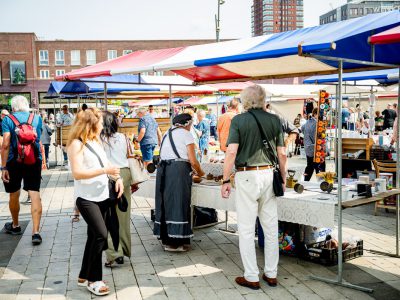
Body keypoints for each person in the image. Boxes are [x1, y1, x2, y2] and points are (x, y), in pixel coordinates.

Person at [221, 85, 287, 290]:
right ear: (263, 99)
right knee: (270, 227)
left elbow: (231, 152)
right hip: (269, 174)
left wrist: (225, 179)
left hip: (247, 175)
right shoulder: (275, 119)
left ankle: (251, 276)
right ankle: (271, 273)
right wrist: (283, 178)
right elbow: (282, 153)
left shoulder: (239, 120)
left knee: (247, 229)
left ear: (245, 101)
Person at [67, 107, 123, 296]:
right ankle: (94, 279)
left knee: (93, 236)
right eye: (99, 123)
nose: (102, 126)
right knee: (101, 235)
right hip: (85, 198)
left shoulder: (96, 141)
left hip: (102, 196)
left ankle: (83, 275)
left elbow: (106, 165)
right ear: (91, 124)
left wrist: (118, 178)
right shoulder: (76, 144)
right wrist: (104, 172)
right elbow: (77, 173)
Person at [154, 113, 204, 252]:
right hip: (177, 171)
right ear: (187, 123)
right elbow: (193, 161)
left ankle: (167, 240)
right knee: (178, 203)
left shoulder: (166, 133)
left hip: (163, 170)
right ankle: (176, 243)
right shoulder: (186, 134)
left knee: (166, 203)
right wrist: (201, 173)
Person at [1, 96, 43, 245]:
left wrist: (3, 166)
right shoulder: (37, 118)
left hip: (14, 161)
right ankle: (36, 232)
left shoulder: (7, 120)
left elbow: (5, 144)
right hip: (33, 159)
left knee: (14, 193)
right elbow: (38, 139)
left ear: (13, 107)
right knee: (34, 193)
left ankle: (15, 225)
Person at [101, 111, 133, 267]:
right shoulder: (124, 138)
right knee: (123, 215)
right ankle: (124, 249)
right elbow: (131, 155)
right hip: (125, 173)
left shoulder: (98, 139)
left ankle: (114, 253)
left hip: (107, 176)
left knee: (107, 217)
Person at [301, 108, 326, 181]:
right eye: (322, 114)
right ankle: (322, 182)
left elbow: (302, 129)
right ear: (315, 114)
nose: (323, 116)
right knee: (320, 165)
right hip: (315, 148)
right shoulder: (316, 123)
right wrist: (323, 148)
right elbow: (317, 137)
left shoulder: (307, 122)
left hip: (308, 147)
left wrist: (307, 138)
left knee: (310, 166)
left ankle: (305, 181)